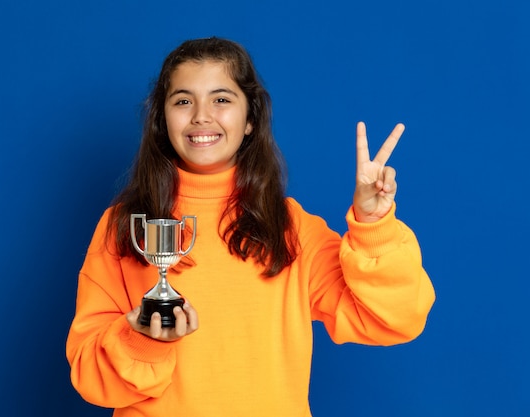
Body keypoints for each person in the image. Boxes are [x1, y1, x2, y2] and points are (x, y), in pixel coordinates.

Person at [66, 37, 435, 416]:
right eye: (182, 100)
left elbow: (395, 320)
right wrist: (142, 341)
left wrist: (373, 226)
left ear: (250, 120)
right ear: (162, 121)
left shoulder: (291, 228)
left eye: (222, 99)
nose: (201, 115)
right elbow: (89, 376)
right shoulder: (124, 226)